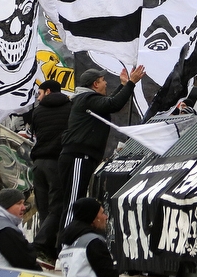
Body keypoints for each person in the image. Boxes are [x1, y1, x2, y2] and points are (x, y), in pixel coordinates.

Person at [59, 66, 144, 231]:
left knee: (76, 200)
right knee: (73, 203)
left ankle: (69, 240)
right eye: (103, 80)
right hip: (79, 157)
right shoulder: (87, 98)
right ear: (95, 84)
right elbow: (113, 104)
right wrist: (131, 83)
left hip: (82, 157)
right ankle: (66, 245)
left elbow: (107, 103)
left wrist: (123, 86)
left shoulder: (88, 99)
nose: (106, 83)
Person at [30, 79, 70, 262]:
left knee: (45, 208)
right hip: (57, 163)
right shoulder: (70, 108)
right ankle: (41, 244)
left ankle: (47, 251)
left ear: (47, 91)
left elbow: (37, 134)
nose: (38, 97)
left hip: (38, 163)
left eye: (39, 93)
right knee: (58, 207)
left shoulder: (37, 112)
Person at [58, 197, 125, 277]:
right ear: (93, 218)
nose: (106, 217)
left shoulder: (66, 243)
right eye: (102, 213)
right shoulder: (93, 242)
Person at [0, 188, 41, 271]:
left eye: (23, 203)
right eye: (19, 203)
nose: (24, 207)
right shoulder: (5, 229)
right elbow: (26, 262)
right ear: (7, 205)